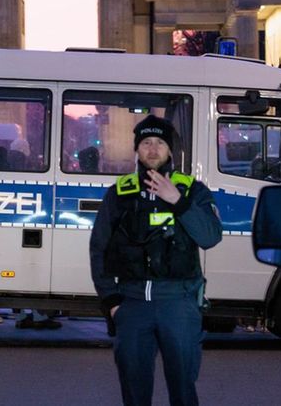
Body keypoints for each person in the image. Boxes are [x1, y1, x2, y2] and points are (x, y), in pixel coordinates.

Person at [90, 115, 223, 406]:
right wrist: (111, 302)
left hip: (179, 305)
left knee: (183, 391)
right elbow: (98, 248)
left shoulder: (192, 190)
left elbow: (210, 237)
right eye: (146, 143)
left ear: (170, 150)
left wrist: (178, 201)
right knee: (134, 393)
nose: (153, 149)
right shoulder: (119, 193)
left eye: (160, 143)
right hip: (132, 305)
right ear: (137, 149)